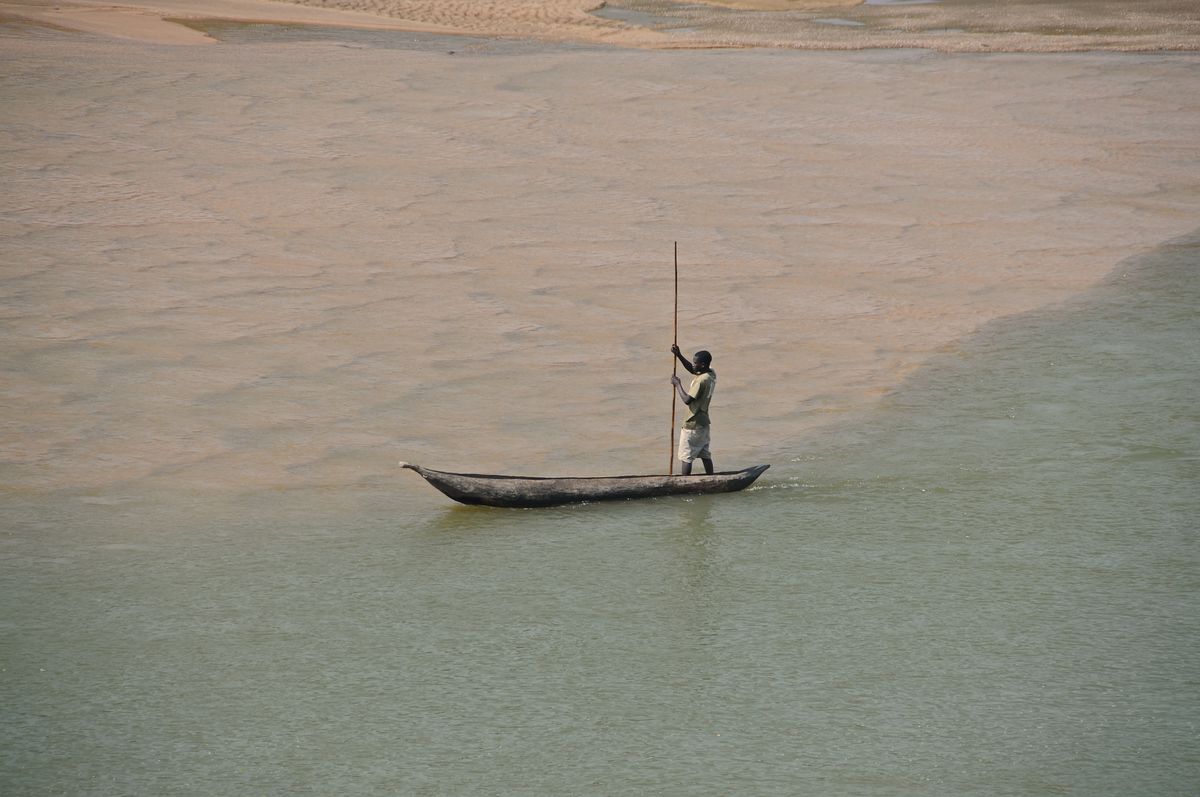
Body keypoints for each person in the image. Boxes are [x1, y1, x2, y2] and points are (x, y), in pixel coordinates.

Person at [670, 344, 716, 475]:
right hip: (704, 422)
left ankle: (685, 483)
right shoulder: (711, 374)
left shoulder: (700, 381)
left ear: (702, 365)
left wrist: (677, 384)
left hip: (692, 423)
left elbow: (687, 400)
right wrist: (679, 355)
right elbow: (693, 370)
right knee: (704, 453)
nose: (693, 365)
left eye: (695, 363)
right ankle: (710, 478)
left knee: (686, 457)